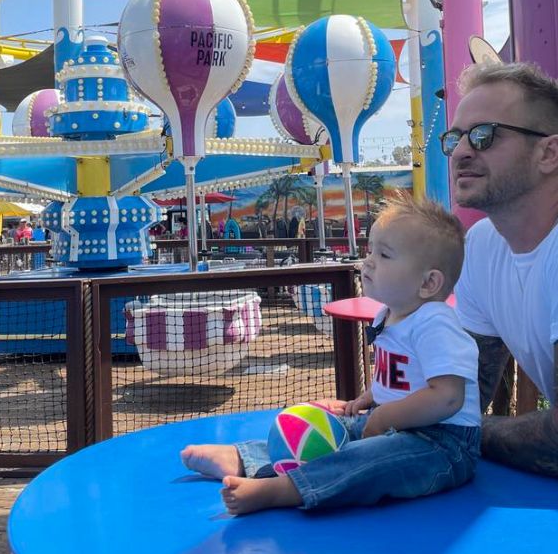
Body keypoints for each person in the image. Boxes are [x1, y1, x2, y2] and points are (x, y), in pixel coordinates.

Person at [181, 195, 481, 515]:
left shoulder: (436, 323)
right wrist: (370, 399)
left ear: (428, 282)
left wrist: (384, 416)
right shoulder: (391, 313)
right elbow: (404, 376)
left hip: (442, 445)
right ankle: (249, 458)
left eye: (384, 255)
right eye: (370, 251)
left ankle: (284, 489)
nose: (368, 262)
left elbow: (448, 397)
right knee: (325, 431)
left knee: (368, 459)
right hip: (399, 426)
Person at [441, 61, 558, 477]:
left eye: (485, 135)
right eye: (455, 138)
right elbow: (464, 390)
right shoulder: (483, 246)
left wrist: (465, 431)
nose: (462, 151)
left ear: (549, 153)